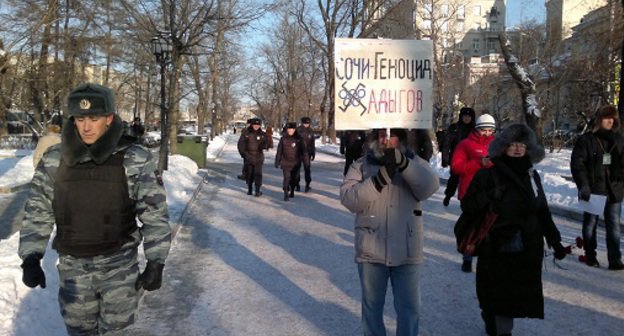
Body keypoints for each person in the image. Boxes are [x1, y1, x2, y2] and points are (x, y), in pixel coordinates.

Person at [18, 83, 171, 335]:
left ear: (109, 118)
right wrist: (31, 257)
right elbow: (39, 210)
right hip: (74, 270)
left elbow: (154, 213)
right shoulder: (56, 159)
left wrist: (156, 261)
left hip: (118, 266)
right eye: (80, 118)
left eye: (94, 118)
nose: (86, 127)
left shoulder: (135, 158)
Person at [460, 123, 567, 336]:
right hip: (497, 245)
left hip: (527, 246)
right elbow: (468, 205)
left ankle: (495, 320)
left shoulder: (532, 175)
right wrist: (489, 196)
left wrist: (555, 241)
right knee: (499, 294)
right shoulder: (489, 174)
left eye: (522, 144)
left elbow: (542, 209)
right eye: (513, 144)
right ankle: (499, 327)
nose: (518, 149)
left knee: (514, 295)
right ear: (503, 147)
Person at [340, 128, 439, 336]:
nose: (386, 139)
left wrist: (404, 164)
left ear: (401, 138)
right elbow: (349, 199)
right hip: (371, 248)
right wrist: (378, 180)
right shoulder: (361, 164)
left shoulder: (416, 162)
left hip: (407, 249)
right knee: (372, 309)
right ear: (375, 138)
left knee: (409, 309)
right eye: (382, 135)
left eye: (392, 134)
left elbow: (429, 187)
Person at [571, 105, 624, 270]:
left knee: (613, 224)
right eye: (606, 118)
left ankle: (615, 259)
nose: (610, 121)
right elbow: (577, 164)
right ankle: (590, 255)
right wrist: (583, 185)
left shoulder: (619, 139)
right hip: (594, 188)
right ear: (599, 119)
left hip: (614, 188)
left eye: (612, 118)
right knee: (590, 223)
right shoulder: (587, 140)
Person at [451, 113, 496, 272]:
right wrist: (478, 163)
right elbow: (456, 167)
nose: (487, 133)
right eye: (484, 130)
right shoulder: (465, 144)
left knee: (488, 227)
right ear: (477, 129)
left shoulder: (498, 145)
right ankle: (467, 257)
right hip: (470, 192)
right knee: (471, 228)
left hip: (490, 193)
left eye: (490, 130)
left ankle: (487, 259)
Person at [441, 107, 476, 206]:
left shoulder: (475, 130)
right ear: (461, 116)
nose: (466, 118)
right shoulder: (454, 128)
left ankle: (466, 200)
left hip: (470, 159)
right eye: (465, 116)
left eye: (469, 116)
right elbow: (446, 144)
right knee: (454, 179)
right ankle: (448, 195)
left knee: (469, 181)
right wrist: (445, 158)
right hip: (456, 158)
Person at [275, 122, 308, 201]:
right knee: (286, 178)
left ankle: (292, 190)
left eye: (292, 129)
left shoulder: (299, 139)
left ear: (294, 130)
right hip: (285, 162)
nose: (290, 131)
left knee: (294, 179)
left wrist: (306, 162)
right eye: (289, 129)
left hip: (296, 163)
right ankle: (286, 192)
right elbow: (279, 151)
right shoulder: (283, 138)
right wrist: (277, 160)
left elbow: (304, 151)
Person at [238, 117, 267, 196]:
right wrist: (244, 154)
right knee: (249, 174)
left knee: (258, 174)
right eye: (255, 124)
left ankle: (257, 190)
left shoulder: (262, 134)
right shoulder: (246, 133)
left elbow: (266, 143)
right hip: (249, 157)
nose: (256, 126)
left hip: (259, 157)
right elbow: (241, 144)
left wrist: (265, 145)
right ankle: (250, 189)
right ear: (252, 124)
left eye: (258, 125)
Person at [296, 116, 315, 192]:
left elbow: (312, 143)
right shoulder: (298, 130)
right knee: (298, 169)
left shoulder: (310, 131)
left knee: (306, 169)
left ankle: (307, 185)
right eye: (305, 123)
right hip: (299, 152)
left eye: (307, 123)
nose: (306, 125)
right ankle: (297, 184)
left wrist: (313, 152)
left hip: (307, 152)